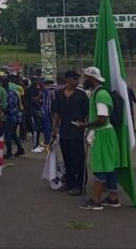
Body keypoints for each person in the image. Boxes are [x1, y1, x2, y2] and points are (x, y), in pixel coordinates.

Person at [76, 67, 121, 210]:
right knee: (109, 167)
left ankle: (96, 201)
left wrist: (86, 125)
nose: (84, 80)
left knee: (100, 167)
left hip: (102, 134)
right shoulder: (98, 93)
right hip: (105, 133)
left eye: (86, 77)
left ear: (92, 78)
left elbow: (102, 117)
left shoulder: (100, 95)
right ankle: (113, 198)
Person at [51, 70, 88, 196]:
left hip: (77, 131)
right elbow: (57, 113)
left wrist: (88, 129)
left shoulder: (81, 95)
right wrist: (54, 129)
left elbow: (87, 114)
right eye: (74, 79)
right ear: (67, 79)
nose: (77, 81)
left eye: (78, 79)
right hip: (65, 130)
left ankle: (80, 184)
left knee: (78, 158)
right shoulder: (59, 94)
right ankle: (70, 182)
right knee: (67, 157)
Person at [3, 78, 25, 159]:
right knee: (13, 134)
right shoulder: (14, 92)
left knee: (8, 134)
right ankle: (20, 149)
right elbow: (19, 103)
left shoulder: (4, 94)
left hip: (10, 116)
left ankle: (9, 153)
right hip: (17, 115)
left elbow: (5, 106)